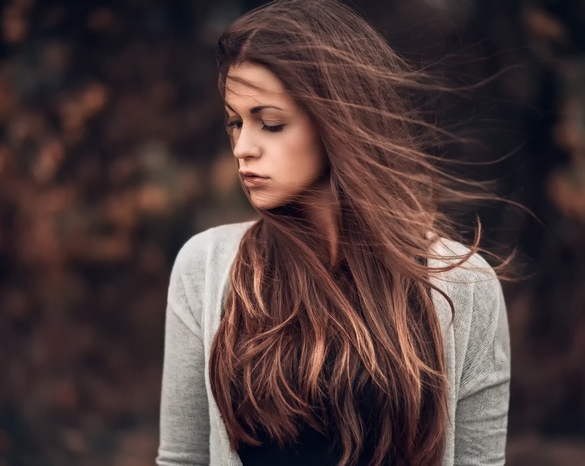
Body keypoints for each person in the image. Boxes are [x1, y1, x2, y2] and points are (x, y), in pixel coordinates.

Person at [157, 0, 510, 465]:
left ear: (338, 120)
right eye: (235, 123)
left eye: (271, 123)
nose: (243, 148)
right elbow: (183, 459)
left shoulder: (463, 284)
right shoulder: (205, 268)